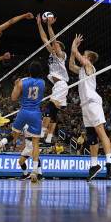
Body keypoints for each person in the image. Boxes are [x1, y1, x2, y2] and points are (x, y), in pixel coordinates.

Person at [69, 34, 111, 181]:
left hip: (93, 102)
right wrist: (73, 51)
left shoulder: (90, 66)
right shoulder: (82, 70)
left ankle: (109, 163)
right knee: (91, 136)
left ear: (88, 59)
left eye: (84, 55)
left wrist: (74, 45)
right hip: (84, 105)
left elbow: (76, 54)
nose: (82, 56)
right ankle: (94, 165)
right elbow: (70, 66)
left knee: (100, 131)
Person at [0, 61, 45, 183]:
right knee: (36, 143)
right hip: (36, 114)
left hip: (23, 112)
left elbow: (13, 98)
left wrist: (16, 85)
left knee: (14, 135)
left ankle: (2, 142)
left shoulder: (22, 82)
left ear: (29, 71)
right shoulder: (43, 83)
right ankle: (34, 171)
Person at [36, 14, 69, 145]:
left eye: (57, 45)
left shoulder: (62, 55)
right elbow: (45, 39)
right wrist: (39, 24)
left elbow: (53, 40)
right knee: (54, 113)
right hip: (57, 86)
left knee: (50, 106)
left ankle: (42, 131)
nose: (54, 46)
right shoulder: (52, 53)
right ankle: (49, 138)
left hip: (61, 84)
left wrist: (49, 25)